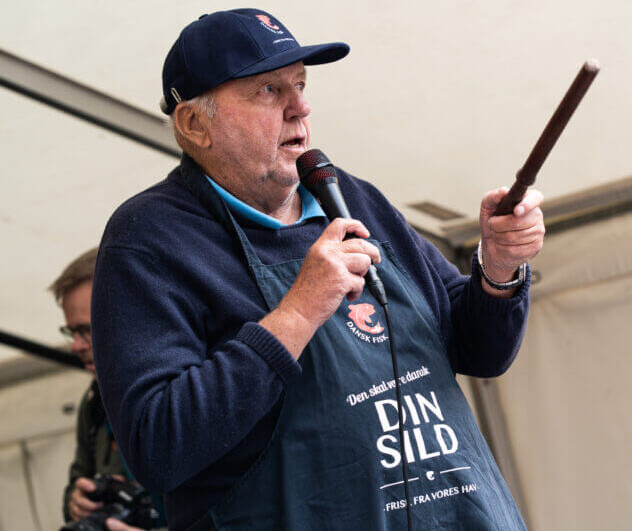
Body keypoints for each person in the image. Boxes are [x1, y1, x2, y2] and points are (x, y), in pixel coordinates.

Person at [91, 8, 543, 530]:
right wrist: (299, 311)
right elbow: (157, 445)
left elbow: (476, 351)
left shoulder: (349, 196)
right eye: (267, 91)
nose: (300, 108)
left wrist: (499, 268)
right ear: (195, 124)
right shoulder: (150, 238)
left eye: (300, 84)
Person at [53, 248, 156, 531]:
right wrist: (75, 501)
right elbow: (77, 480)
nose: (76, 346)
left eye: (85, 329)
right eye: (71, 332)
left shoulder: (190, 391)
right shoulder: (95, 403)